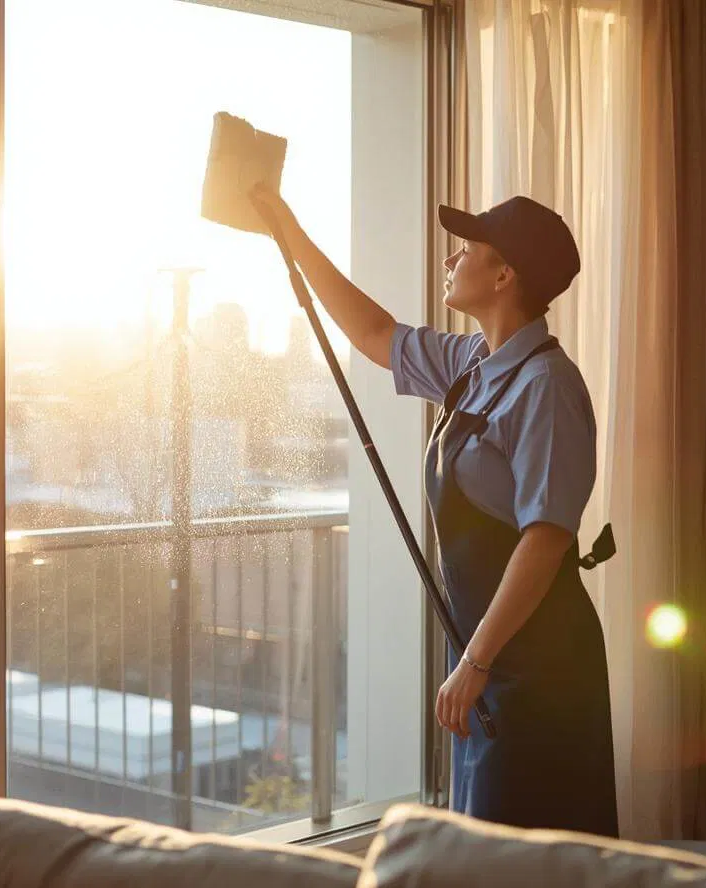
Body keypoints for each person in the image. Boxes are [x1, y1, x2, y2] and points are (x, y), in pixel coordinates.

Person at [249, 185, 619, 837]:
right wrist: (290, 233)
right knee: (485, 851)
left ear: (504, 275)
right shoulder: (474, 366)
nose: (452, 259)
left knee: (528, 865)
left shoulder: (546, 388)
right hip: (488, 663)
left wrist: (474, 662)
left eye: (468, 249)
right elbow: (373, 332)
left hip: (542, 670)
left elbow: (546, 537)